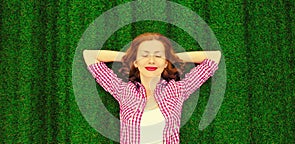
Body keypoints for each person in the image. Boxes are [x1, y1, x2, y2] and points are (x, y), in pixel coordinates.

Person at [83, 33, 221, 144]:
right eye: (145, 55)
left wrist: (172, 57)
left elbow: (214, 57)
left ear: (166, 62)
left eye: (157, 55)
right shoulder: (124, 91)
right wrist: (129, 57)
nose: (151, 61)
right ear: (135, 63)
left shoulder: (178, 90)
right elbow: (90, 56)